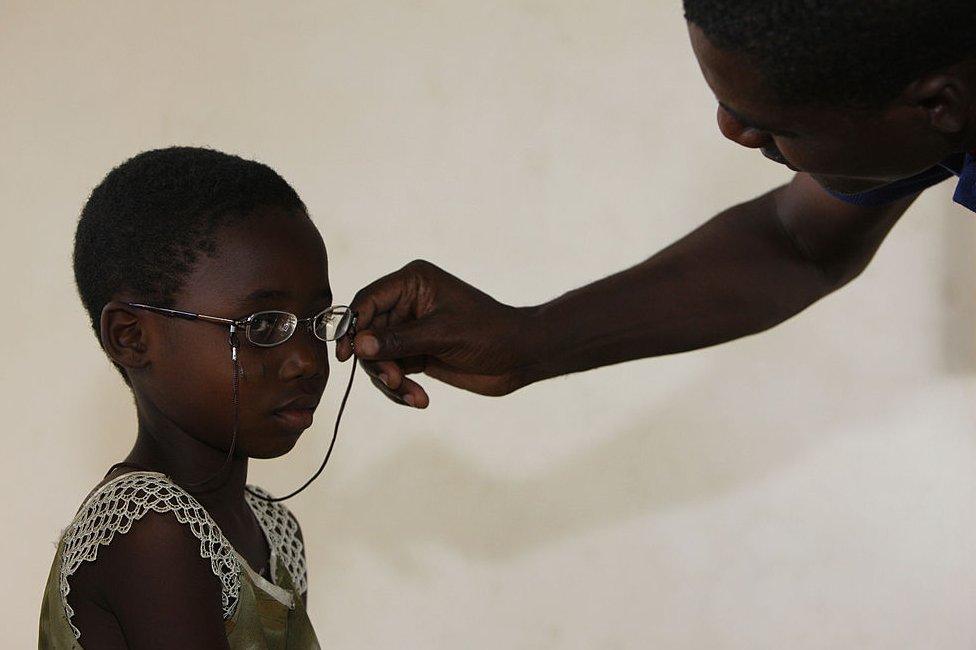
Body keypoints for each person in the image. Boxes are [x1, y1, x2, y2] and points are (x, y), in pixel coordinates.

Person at [337, 1, 976, 407]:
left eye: (775, 124)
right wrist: (527, 340)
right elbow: (798, 242)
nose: (730, 131)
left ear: (938, 107)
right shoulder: (926, 84)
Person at [39, 147, 353, 648]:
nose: (307, 360)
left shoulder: (271, 528)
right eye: (264, 325)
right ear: (131, 337)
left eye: (317, 322)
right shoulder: (150, 528)